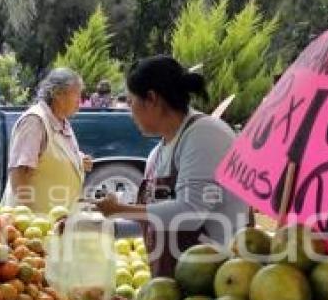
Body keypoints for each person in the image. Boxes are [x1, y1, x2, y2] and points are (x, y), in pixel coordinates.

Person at [93, 55, 247, 277]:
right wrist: (99, 226)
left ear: (152, 99)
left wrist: (121, 209)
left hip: (218, 278)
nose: (130, 112)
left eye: (131, 102)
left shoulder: (205, 135)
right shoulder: (158, 153)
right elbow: (155, 220)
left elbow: (191, 213)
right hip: (177, 283)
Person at [2, 68, 92, 213]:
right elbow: (19, 175)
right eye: (76, 94)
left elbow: (50, 155)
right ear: (58, 94)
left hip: (55, 221)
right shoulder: (34, 122)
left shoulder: (61, 121)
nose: (79, 101)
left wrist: (77, 161)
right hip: (34, 225)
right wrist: (29, 218)